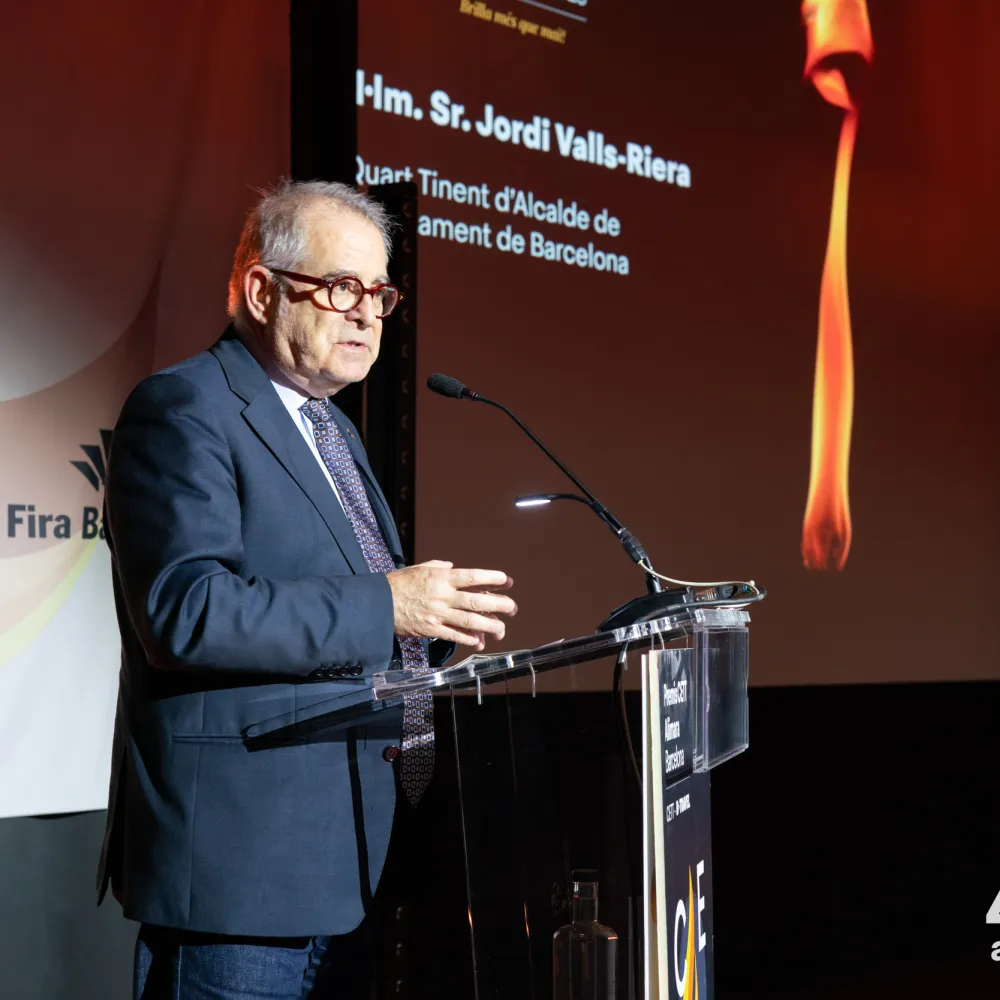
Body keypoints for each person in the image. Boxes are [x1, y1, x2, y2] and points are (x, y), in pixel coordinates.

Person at [96, 179, 518, 999]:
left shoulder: (332, 427)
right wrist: (388, 604)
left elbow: (337, 603)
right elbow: (186, 611)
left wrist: (428, 632)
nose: (368, 314)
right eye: (343, 288)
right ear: (262, 290)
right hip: (237, 873)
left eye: (381, 294)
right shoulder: (183, 410)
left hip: (345, 860)